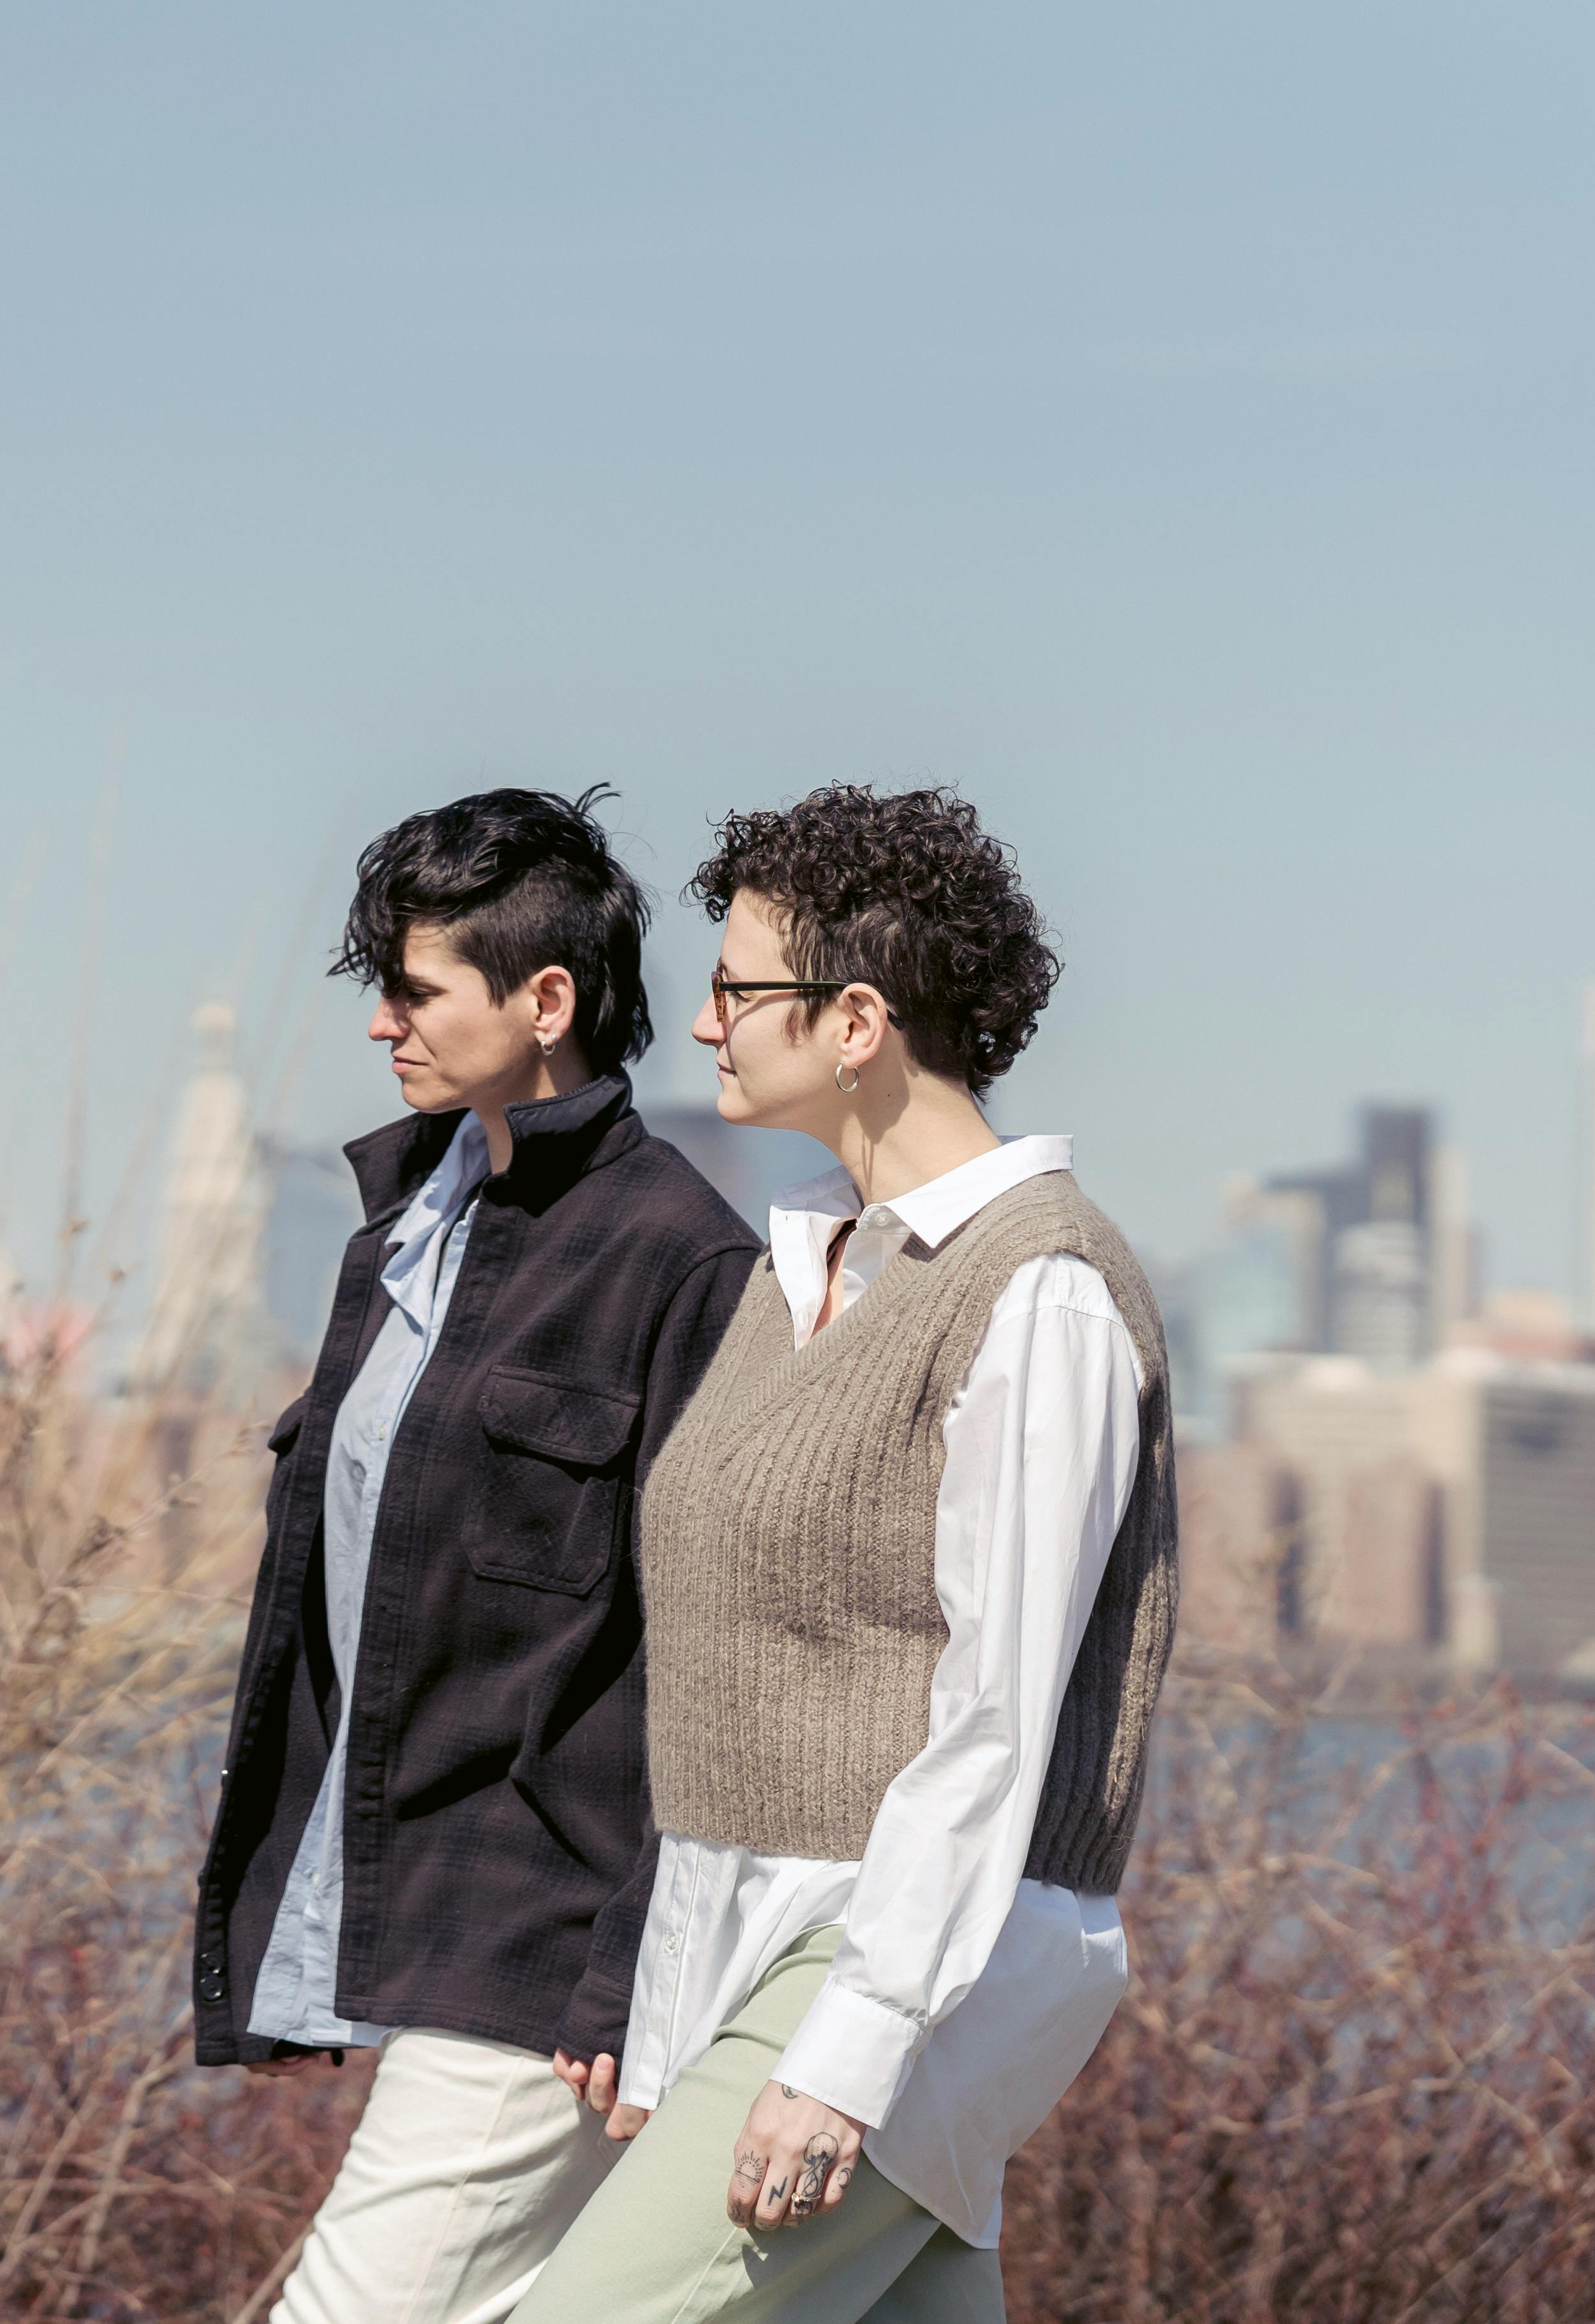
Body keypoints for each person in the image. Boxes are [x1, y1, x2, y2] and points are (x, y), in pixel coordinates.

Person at [511, 786, 1177, 2324]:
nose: (701, 1020)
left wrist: (847, 2052)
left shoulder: (1041, 1293)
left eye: (738, 988)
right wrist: (671, 1997)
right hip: (775, 1950)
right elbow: (738, 1660)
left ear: (858, 1017)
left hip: (905, 1964)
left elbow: (994, 1715)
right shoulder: (794, 1265)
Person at [193, 786, 763, 2324]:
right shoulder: (397, 1239)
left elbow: (702, 1658)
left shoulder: (685, 1264)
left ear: (547, 999)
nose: (382, 1024)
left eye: (417, 988)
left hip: (547, 1946)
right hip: (426, 1911)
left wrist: (626, 1964)